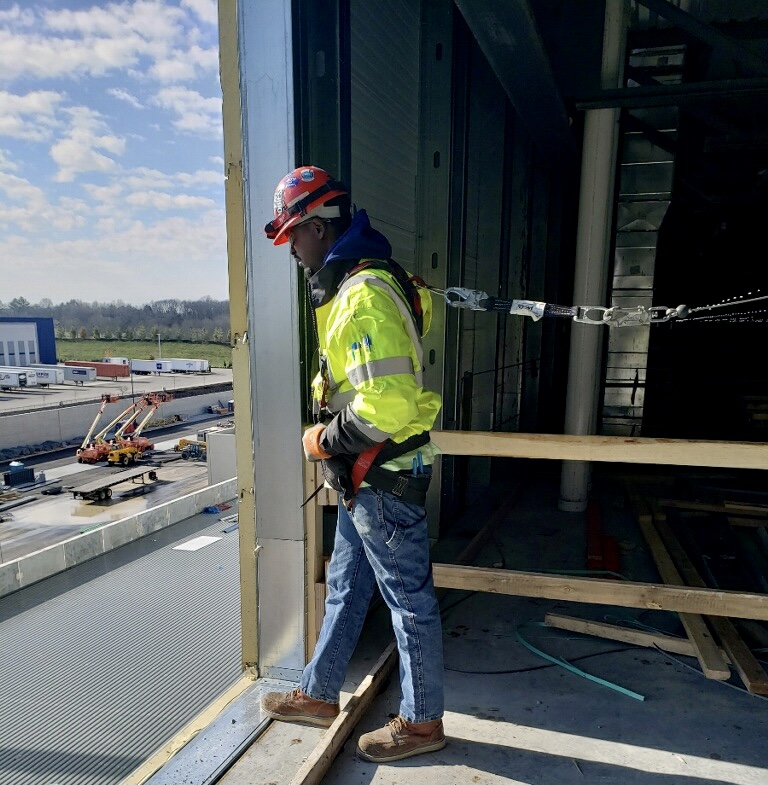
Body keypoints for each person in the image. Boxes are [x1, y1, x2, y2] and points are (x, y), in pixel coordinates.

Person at [260, 166, 446, 763]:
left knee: (409, 604)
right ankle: (319, 692)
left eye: (294, 234)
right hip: (366, 478)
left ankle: (421, 725)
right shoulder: (360, 284)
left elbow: (388, 404)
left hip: (382, 474)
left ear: (318, 227)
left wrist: (322, 441)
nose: (291, 248)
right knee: (345, 586)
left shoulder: (361, 294)